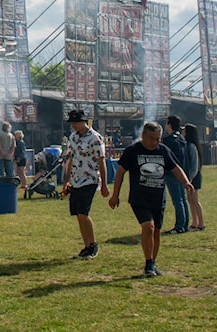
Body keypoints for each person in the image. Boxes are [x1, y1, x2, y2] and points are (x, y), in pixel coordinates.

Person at [109, 121, 195, 277]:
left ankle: (152, 264)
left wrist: (186, 182)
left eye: (158, 139)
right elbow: (120, 172)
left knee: (156, 231)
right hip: (139, 198)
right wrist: (115, 195)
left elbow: (175, 168)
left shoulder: (163, 151)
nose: (154, 142)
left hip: (158, 198)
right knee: (148, 226)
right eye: (151, 138)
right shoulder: (133, 151)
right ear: (143, 136)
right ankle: (149, 262)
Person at [63, 110, 109, 259]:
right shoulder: (73, 138)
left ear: (84, 122)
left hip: (89, 179)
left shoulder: (95, 138)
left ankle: (93, 244)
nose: (74, 126)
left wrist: (104, 184)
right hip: (76, 180)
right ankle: (86, 245)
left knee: (83, 212)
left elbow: (101, 161)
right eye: (72, 123)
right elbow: (70, 158)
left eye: (76, 122)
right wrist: (66, 180)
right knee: (78, 214)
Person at [162, 115, 190, 235]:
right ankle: (185, 224)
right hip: (181, 171)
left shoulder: (169, 141)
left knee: (177, 199)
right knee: (183, 198)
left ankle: (179, 226)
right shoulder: (181, 139)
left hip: (171, 172)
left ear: (169, 124)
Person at [184, 124, 205, 232]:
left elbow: (195, 165)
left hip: (194, 176)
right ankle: (194, 222)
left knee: (195, 200)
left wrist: (190, 179)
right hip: (190, 177)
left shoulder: (192, 146)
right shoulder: (187, 145)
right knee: (190, 200)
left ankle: (201, 223)